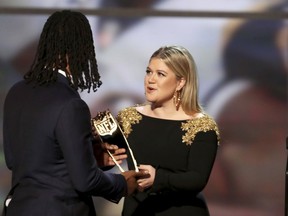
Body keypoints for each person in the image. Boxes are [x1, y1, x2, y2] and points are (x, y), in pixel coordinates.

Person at [2, 10, 147, 216]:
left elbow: (16, 160)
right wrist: (123, 184)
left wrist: (86, 158)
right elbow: (85, 181)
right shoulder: (70, 104)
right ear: (79, 49)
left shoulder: (16, 93)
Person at [116, 45, 220, 216]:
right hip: (138, 210)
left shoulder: (202, 126)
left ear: (180, 82)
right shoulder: (128, 118)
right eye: (149, 71)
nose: (150, 79)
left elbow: (197, 178)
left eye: (161, 74)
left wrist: (159, 178)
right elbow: (111, 158)